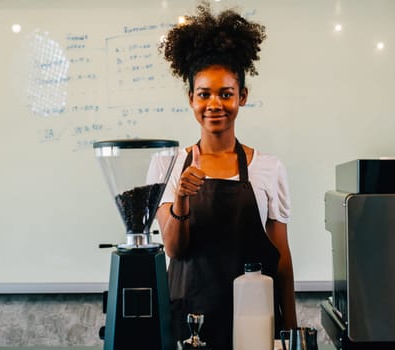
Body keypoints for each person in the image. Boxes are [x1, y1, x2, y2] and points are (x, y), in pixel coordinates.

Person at [156, 2, 297, 349]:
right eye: (204, 94)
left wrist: (293, 331)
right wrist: (183, 198)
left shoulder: (268, 167)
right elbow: (175, 248)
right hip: (189, 327)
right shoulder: (168, 164)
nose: (214, 104)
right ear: (191, 99)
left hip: (255, 323)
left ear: (242, 97)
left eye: (226, 93)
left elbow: (281, 257)